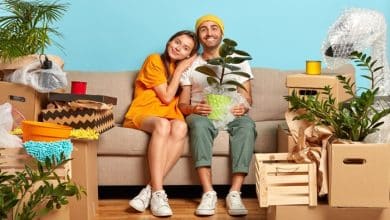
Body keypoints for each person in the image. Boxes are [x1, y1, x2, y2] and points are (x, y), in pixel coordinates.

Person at [179, 14, 256, 216]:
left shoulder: (237, 62)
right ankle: (208, 193)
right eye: (203, 29)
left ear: (222, 33)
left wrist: (243, 107)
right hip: (203, 115)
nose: (209, 32)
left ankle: (235, 193)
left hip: (232, 114)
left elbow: (248, 98)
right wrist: (194, 110)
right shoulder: (191, 65)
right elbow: (182, 104)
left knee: (247, 126)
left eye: (214, 28)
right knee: (199, 125)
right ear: (198, 36)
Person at [123, 30, 199, 217]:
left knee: (181, 126)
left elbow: (183, 100)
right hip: (144, 113)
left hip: (169, 115)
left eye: (185, 48)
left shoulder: (184, 71)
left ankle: (148, 191)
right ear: (169, 41)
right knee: (163, 125)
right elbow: (165, 97)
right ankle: (159, 192)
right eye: (177, 42)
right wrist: (181, 69)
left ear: (188, 55)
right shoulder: (154, 60)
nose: (178, 47)